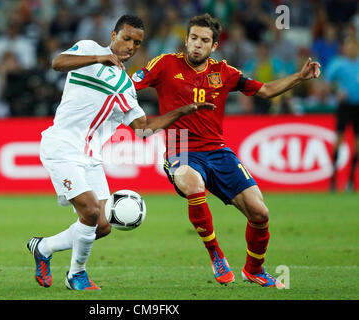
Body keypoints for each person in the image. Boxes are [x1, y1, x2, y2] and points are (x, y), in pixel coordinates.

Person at [26, 15, 214, 291]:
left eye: (137, 43)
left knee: (101, 226)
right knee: (90, 213)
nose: (131, 46)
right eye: (126, 38)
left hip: (91, 158)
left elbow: (143, 128)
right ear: (113, 34)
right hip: (62, 147)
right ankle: (76, 275)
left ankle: (44, 248)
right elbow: (57, 63)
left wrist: (182, 111)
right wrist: (97, 59)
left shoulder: (126, 86)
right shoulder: (89, 49)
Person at [132, 13, 321, 288]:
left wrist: (300, 77)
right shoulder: (165, 64)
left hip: (218, 151)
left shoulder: (224, 73)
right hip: (181, 148)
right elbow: (127, 86)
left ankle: (254, 269)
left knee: (260, 213)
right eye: (193, 38)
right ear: (186, 40)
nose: (197, 44)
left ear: (214, 46)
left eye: (204, 40)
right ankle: (216, 255)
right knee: (194, 185)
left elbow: (266, 91)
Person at [326, 38, 359, 192]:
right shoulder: (338, 64)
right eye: (348, 46)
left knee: (357, 144)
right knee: (339, 139)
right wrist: (337, 91)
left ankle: (351, 180)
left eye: (353, 46)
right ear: (345, 48)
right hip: (345, 106)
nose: (351, 49)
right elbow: (327, 81)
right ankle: (333, 179)